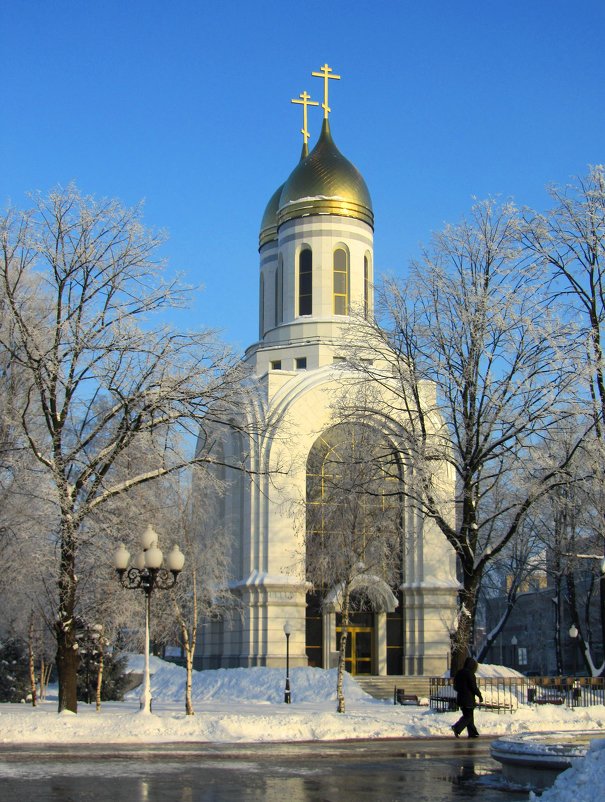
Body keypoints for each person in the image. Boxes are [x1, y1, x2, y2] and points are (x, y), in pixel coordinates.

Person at [451, 657, 483, 738]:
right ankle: (457, 727)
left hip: (460, 698)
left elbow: (455, 686)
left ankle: (472, 733)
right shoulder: (470, 674)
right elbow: (473, 687)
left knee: (468, 715)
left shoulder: (459, 672)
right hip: (468, 698)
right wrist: (479, 695)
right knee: (468, 717)